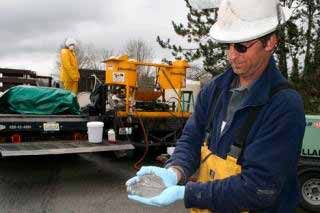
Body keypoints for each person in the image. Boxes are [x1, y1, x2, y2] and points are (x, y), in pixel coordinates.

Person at [126, 0, 306, 212]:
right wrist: (176, 171)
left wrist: (188, 193)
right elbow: (191, 139)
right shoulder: (214, 90)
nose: (231, 55)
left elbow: (260, 188)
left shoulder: (284, 106)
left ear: (269, 43)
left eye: (241, 46)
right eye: (227, 45)